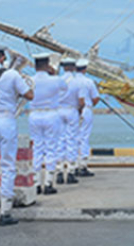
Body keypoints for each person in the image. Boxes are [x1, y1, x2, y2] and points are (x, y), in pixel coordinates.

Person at [0, 45, 32, 227]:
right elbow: (30, 94)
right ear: (3, 58)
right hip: (6, 119)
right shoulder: (12, 75)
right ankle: (5, 212)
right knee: (8, 166)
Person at [29, 52, 67, 195]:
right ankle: (49, 182)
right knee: (51, 147)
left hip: (34, 114)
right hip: (51, 114)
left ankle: (37, 183)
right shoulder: (55, 80)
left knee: (37, 148)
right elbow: (65, 88)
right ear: (47, 65)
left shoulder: (30, 80)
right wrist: (54, 73)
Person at [55, 57, 83, 185]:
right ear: (73, 67)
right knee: (72, 139)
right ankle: (71, 171)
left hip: (59, 110)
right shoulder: (77, 82)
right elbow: (81, 101)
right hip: (72, 110)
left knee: (59, 139)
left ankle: (59, 171)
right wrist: (79, 110)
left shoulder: (58, 80)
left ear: (63, 67)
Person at [73, 59, 100, 177]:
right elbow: (96, 98)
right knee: (84, 137)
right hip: (86, 109)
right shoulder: (89, 82)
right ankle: (82, 165)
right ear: (85, 69)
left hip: (72, 110)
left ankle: (72, 165)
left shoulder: (71, 81)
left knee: (72, 137)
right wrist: (89, 105)